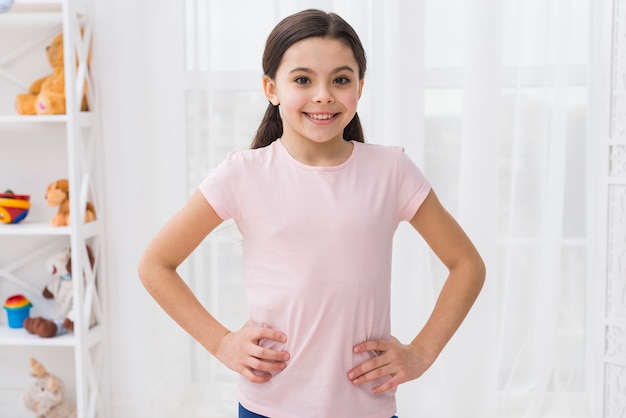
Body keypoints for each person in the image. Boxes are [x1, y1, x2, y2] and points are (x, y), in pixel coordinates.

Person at [138, 8, 485, 418]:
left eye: (341, 79)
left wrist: (422, 353)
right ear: (272, 88)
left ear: (360, 86)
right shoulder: (244, 174)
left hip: (367, 406)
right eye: (303, 79)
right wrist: (221, 342)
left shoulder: (391, 171)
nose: (323, 94)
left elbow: (466, 264)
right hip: (268, 404)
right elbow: (156, 264)